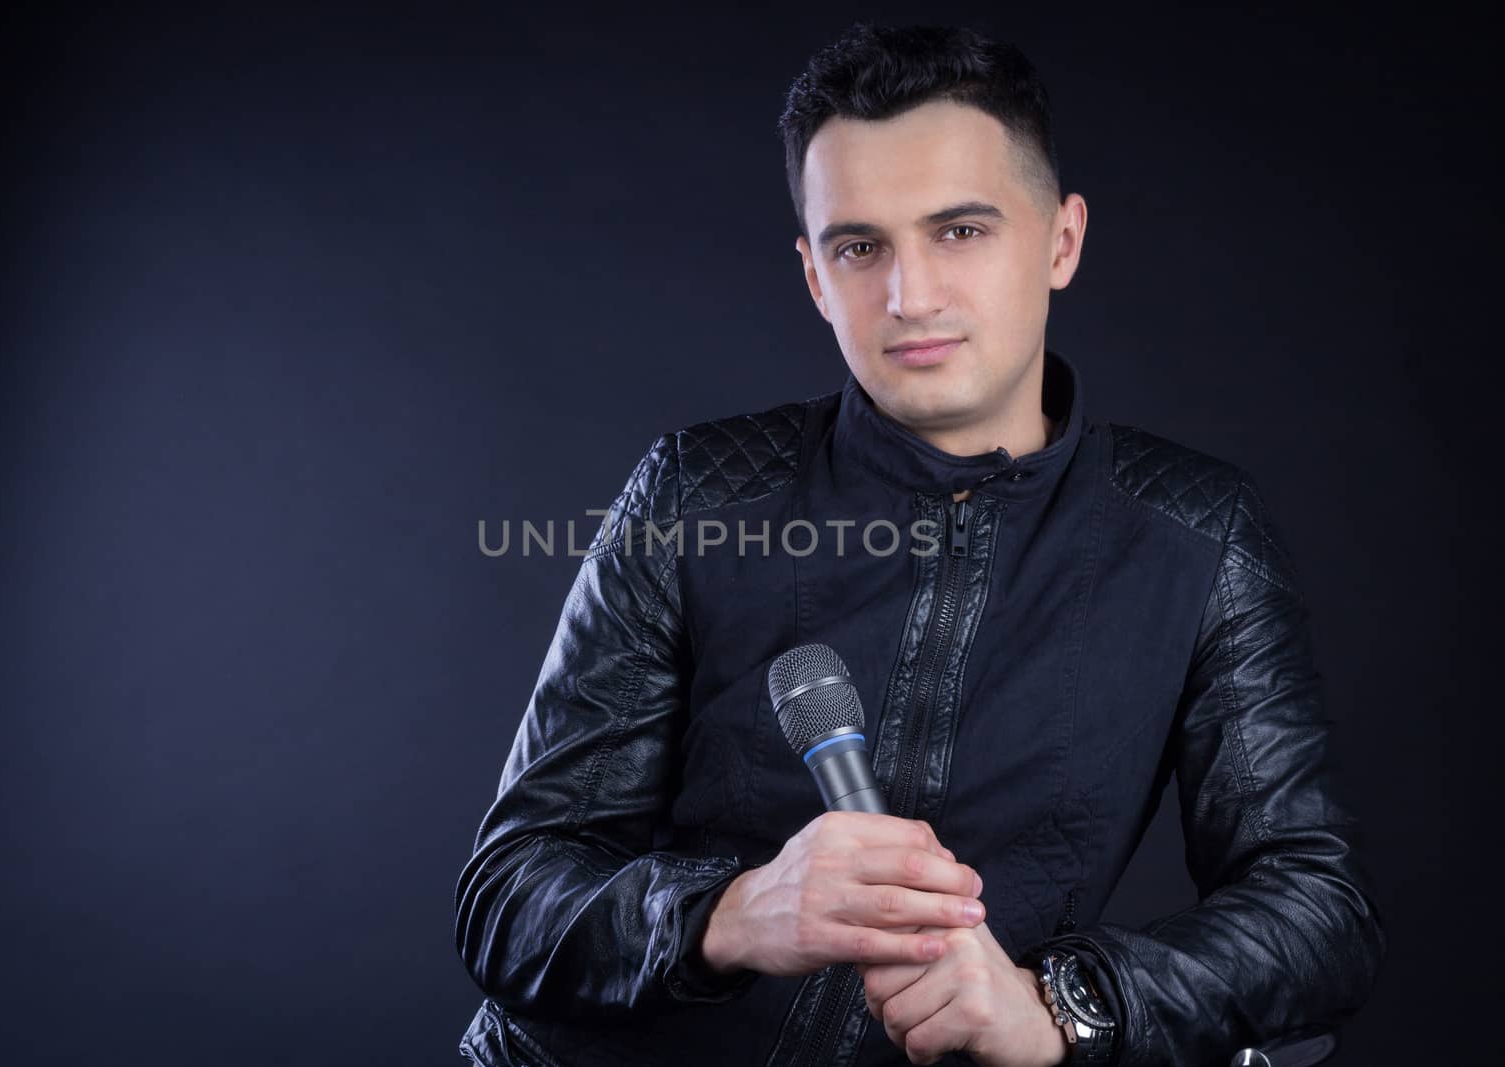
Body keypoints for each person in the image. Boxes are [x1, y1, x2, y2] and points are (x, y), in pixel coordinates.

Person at [454, 21, 1385, 1067]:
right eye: (860, 247)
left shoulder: (1198, 533)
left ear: (1061, 241)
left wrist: (1065, 1002)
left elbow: (1317, 912)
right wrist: (735, 911)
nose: (910, 297)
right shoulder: (693, 489)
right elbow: (511, 897)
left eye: (959, 230)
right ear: (814, 276)